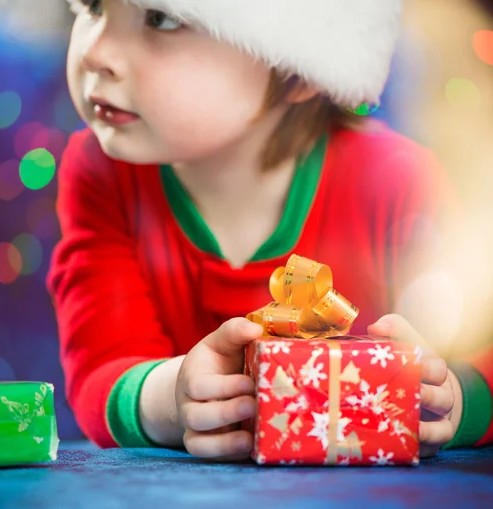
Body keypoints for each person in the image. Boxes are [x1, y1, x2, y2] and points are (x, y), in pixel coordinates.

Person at [47, 0, 491, 461]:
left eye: (164, 18)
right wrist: (173, 402)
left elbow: (481, 352)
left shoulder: (397, 179)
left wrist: (455, 397)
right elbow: (104, 368)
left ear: (299, 72)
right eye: (93, 6)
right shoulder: (100, 172)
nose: (96, 53)